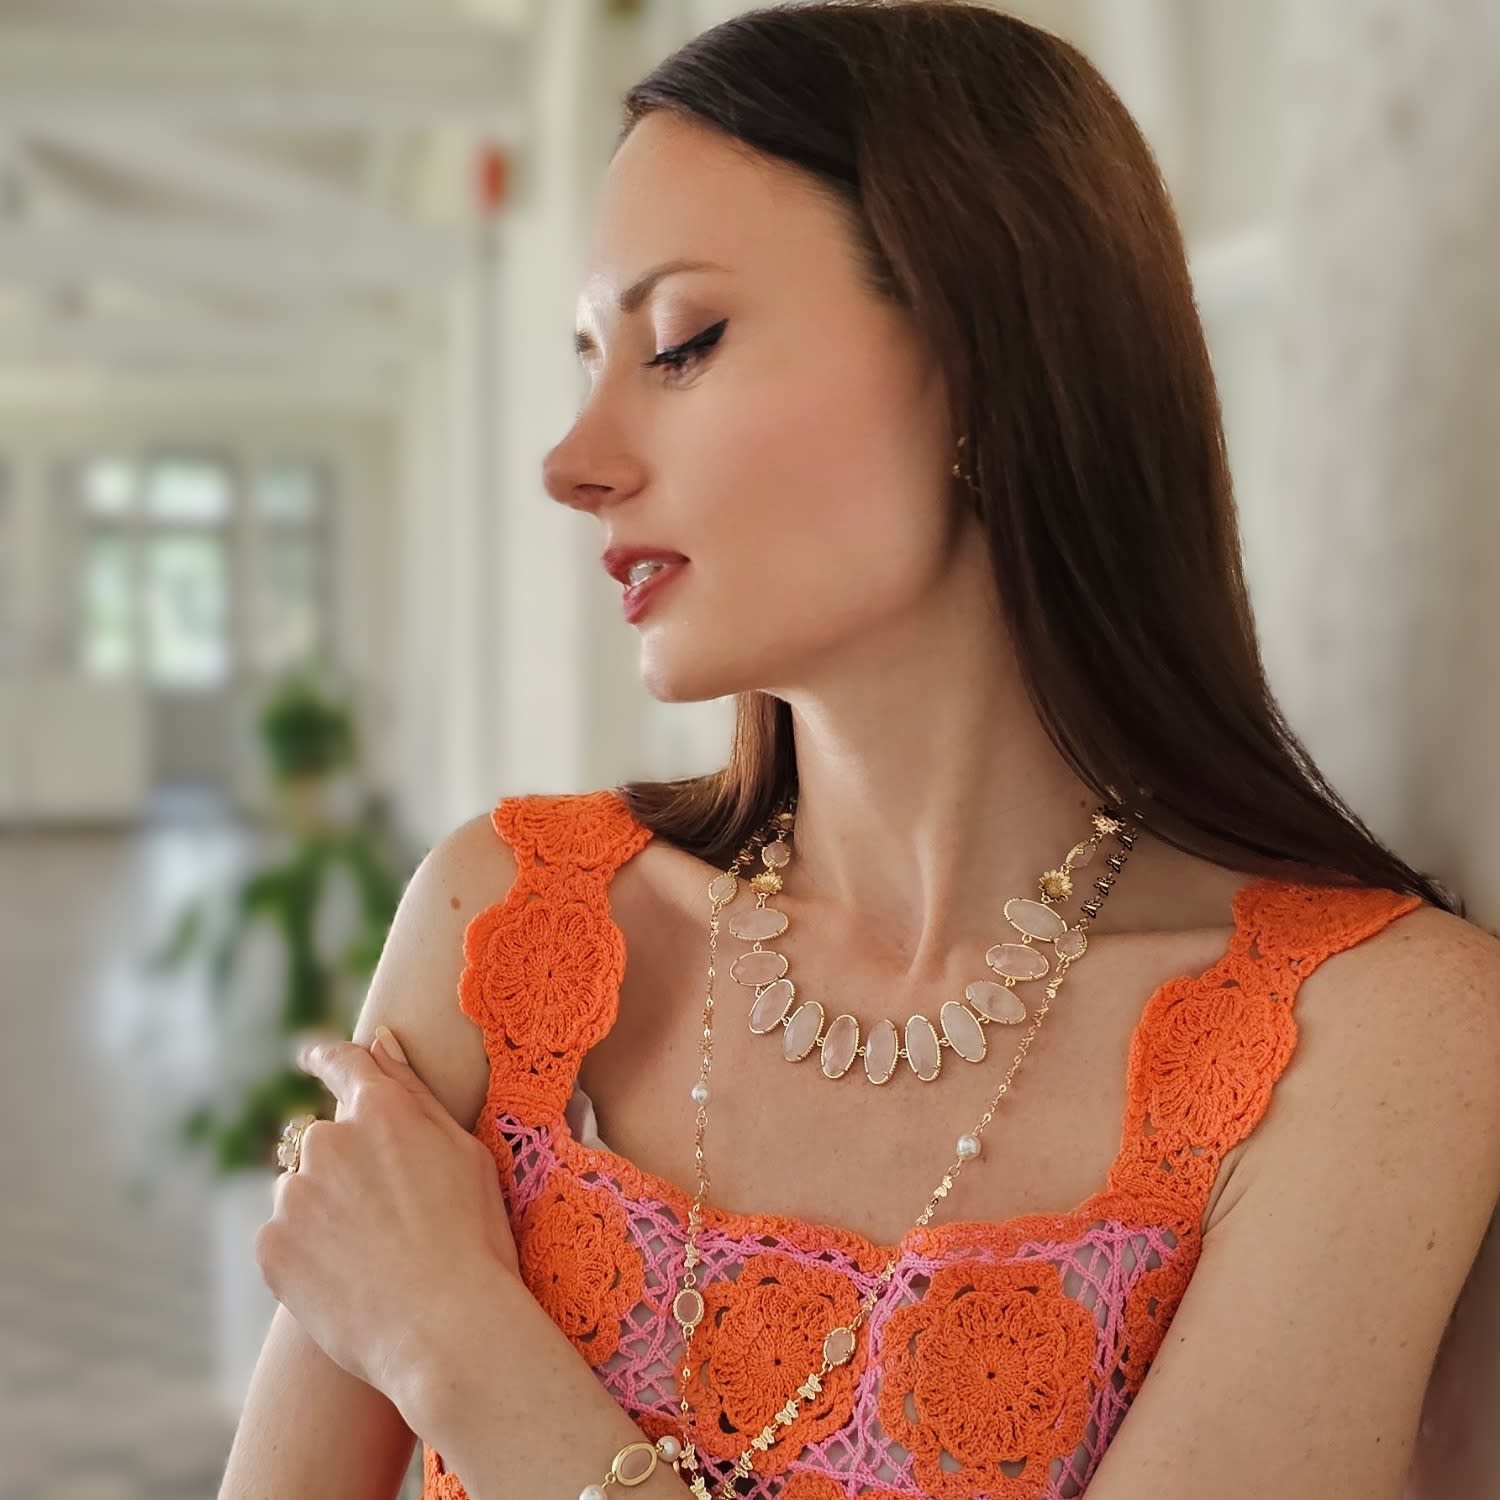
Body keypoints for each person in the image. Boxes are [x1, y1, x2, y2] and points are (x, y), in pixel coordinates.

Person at [219, 5, 1500, 1498]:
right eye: (587, 359)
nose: (576, 460)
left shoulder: (1372, 1046)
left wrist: (460, 1350)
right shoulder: (503, 929)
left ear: (981, 362)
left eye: (681, 345)